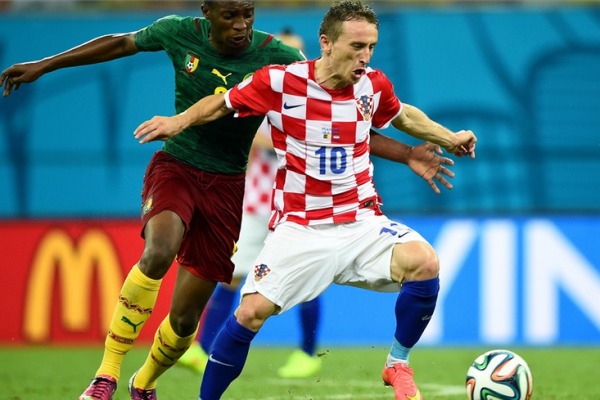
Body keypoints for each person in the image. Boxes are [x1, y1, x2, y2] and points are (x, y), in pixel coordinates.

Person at [0, 2, 456, 399]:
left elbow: (370, 121)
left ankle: (146, 381)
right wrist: (176, 121)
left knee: (187, 319)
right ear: (208, 13)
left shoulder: (339, 76)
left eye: (248, 14)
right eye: (231, 14)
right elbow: (203, 94)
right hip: (214, 182)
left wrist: (427, 146)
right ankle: (109, 373)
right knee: (172, 259)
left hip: (268, 196)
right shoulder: (211, 47)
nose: (241, 24)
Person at [133, 1, 477, 399]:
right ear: (326, 43)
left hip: (361, 222)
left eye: (371, 47)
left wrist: (449, 137)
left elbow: (402, 115)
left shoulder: (373, 84)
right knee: (249, 313)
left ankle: (397, 364)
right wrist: (178, 121)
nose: (365, 56)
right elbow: (221, 102)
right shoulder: (280, 82)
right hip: (300, 228)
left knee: (425, 262)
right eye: (356, 46)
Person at [177, 27, 323, 379]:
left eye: (297, 52)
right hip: (256, 203)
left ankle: (307, 353)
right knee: (230, 275)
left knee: (306, 278)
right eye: (285, 52)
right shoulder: (258, 90)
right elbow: (242, 130)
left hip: (295, 205)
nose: (291, 60)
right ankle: (200, 349)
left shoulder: (315, 98)